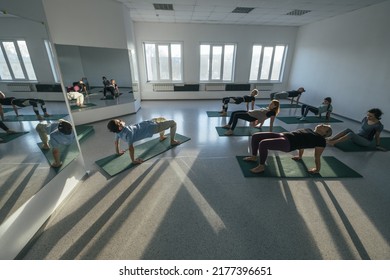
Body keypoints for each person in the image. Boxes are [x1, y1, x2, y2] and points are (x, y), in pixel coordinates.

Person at [244, 124, 333, 174]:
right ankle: (254, 156)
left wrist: (317, 170)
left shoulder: (321, 141)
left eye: (325, 127)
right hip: (283, 135)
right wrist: (299, 156)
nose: (322, 125)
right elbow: (303, 144)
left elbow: (317, 157)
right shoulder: (309, 130)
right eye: (323, 125)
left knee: (263, 143)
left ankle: (261, 166)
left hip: (289, 143)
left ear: (325, 134)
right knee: (256, 136)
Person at [107, 117, 181, 164]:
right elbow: (131, 148)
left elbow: (116, 142)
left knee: (162, 119)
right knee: (173, 123)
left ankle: (161, 136)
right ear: (120, 127)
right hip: (152, 127)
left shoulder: (118, 133)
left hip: (148, 123)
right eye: (120, 121)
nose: (121, 120)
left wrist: (118, 152)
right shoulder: (128, 132)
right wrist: (133, 161)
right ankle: (172, 141)